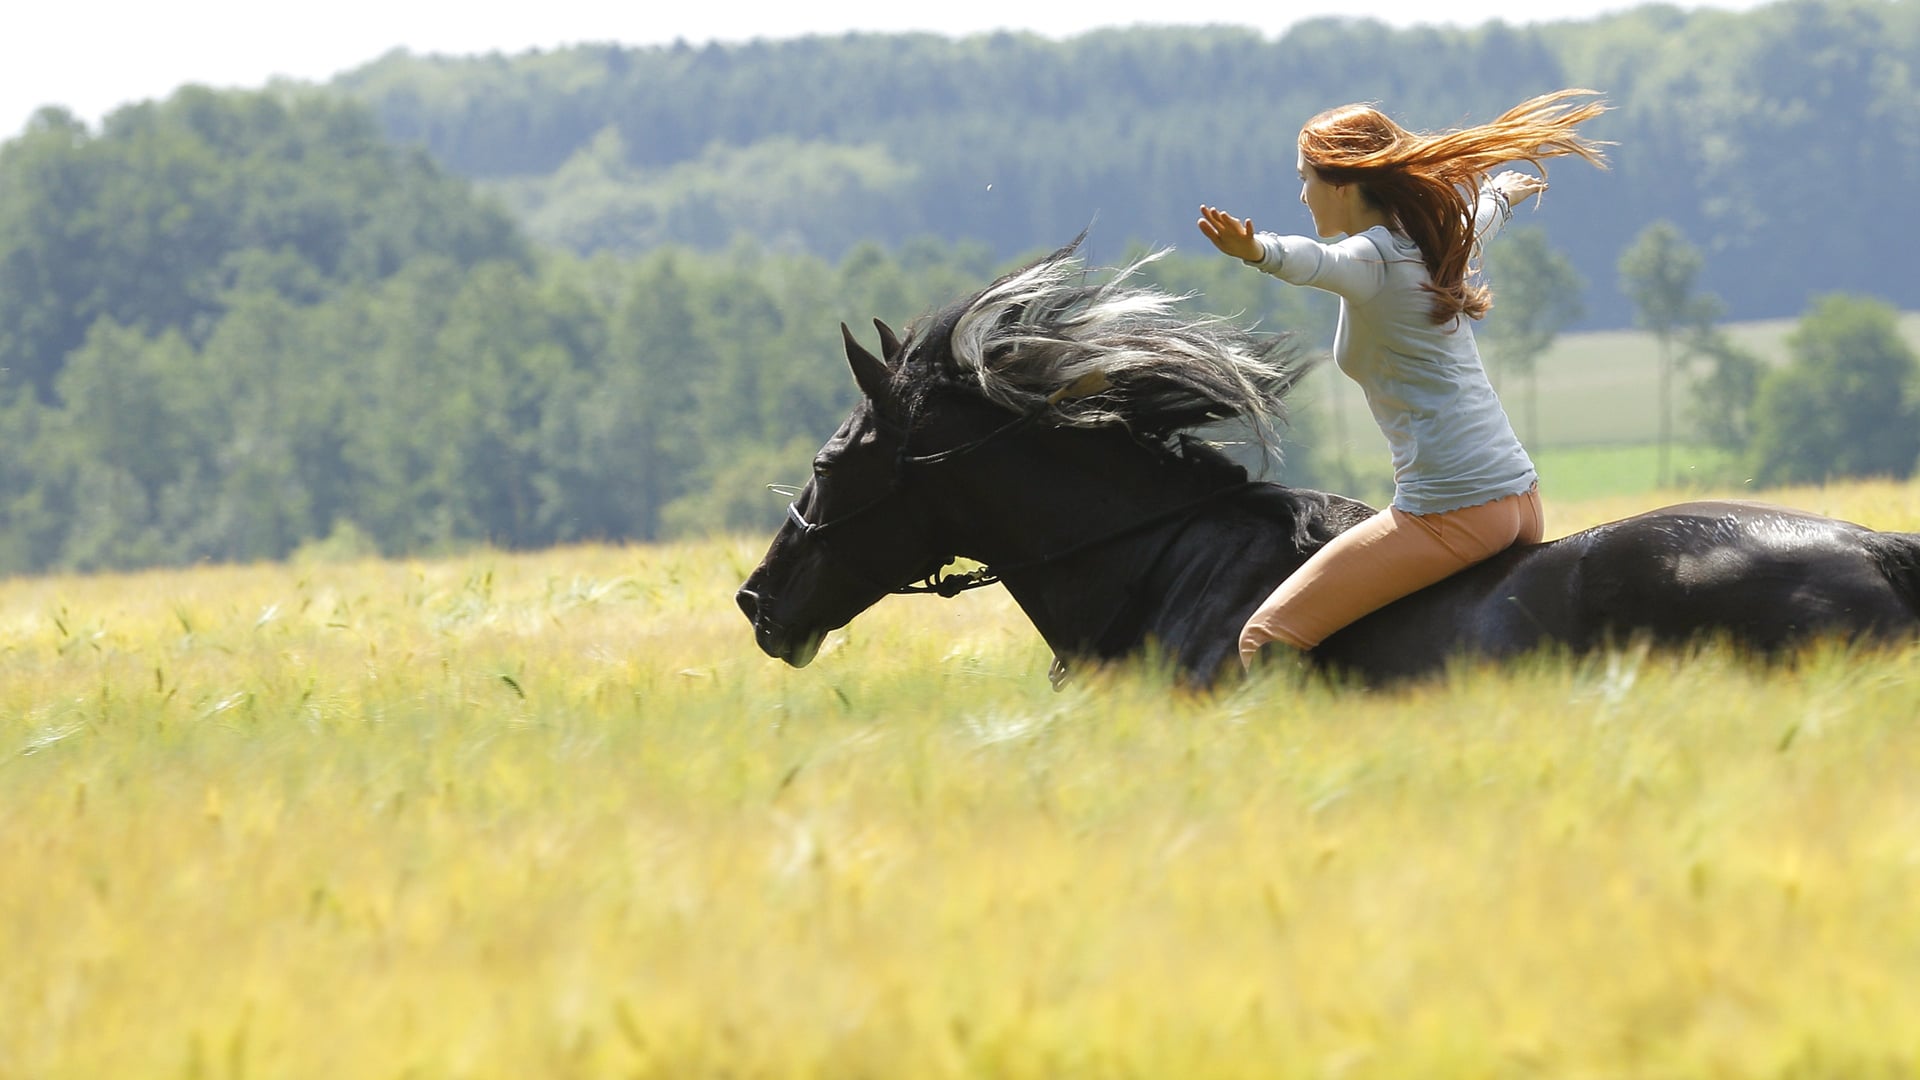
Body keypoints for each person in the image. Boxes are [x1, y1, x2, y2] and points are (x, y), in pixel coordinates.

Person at [1196, 89, 1609, 670]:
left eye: (1305, 177)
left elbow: (1314, 261)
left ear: (1341, 183)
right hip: (1518, 499)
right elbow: (1478, 217)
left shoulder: (1372, 258)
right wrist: (1501, 195)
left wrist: (1256, 251)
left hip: (1452, 507)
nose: (1301, 193)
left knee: (1264, 639)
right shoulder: (1430, 241)